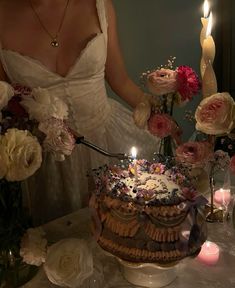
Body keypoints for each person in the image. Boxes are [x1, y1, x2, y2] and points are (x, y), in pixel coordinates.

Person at [0, 0, 158, 224]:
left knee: (124, 232)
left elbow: (120, 80)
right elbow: (6, 104)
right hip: (44, 164)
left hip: (106, 145)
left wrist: (160, 113)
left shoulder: (99, 5)